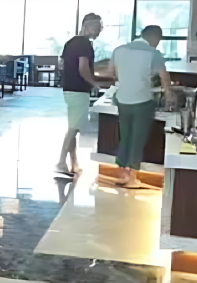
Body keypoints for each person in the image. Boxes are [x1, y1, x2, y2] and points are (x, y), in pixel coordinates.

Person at [109, 25, 175, 188]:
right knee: (137, 139)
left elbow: (112, 73)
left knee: (125, 137)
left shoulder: (119, 50)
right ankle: (132, 178)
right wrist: (169, 96)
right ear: (154, 37)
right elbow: (164, 75)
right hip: (142, 101)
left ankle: (122, 174)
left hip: (122, 99)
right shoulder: (153, 53)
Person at [56, 13, 110, 177]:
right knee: (73, 128)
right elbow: (83, 68)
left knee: (73, 126)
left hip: (69, 88)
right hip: (79, 90)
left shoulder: (71, 42)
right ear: (88, 26)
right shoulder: (84, 44)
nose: (99, 31)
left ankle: (74, 163)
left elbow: (65, 65)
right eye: (98, 27)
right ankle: (60, 162)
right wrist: (94, 83)